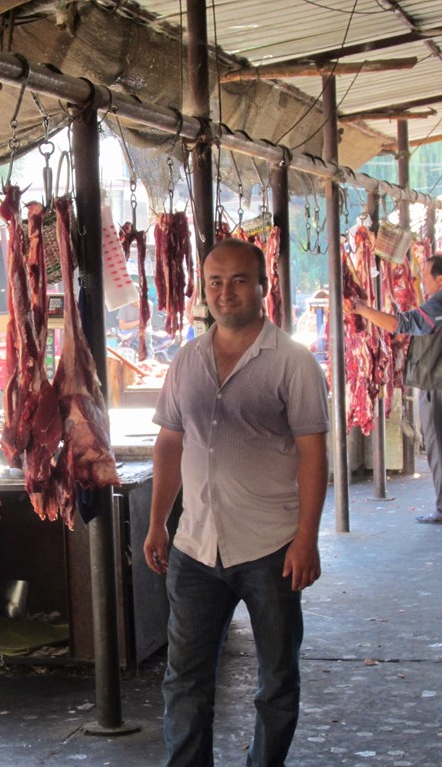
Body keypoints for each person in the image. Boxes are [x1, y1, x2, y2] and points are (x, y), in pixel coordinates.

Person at [143, 239, 329, 767]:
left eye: (240, 280)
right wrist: (158, 522)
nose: (226, 292)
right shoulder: (186, 360)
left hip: (270, 547)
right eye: (216, 282)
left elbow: (314, 456)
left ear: (263, 287)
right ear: (205, 288)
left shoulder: (292, 363)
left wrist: (307, 539)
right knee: (185, 681)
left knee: (276, 679)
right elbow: (170, 444)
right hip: (196, 548)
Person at [350, 255, 442, 523]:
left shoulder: (439, 305)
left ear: (441, 279)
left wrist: (363, 309)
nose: (421, 281)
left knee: (440, 445)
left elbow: (401, 325)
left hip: (441, 384)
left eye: (426, 275)